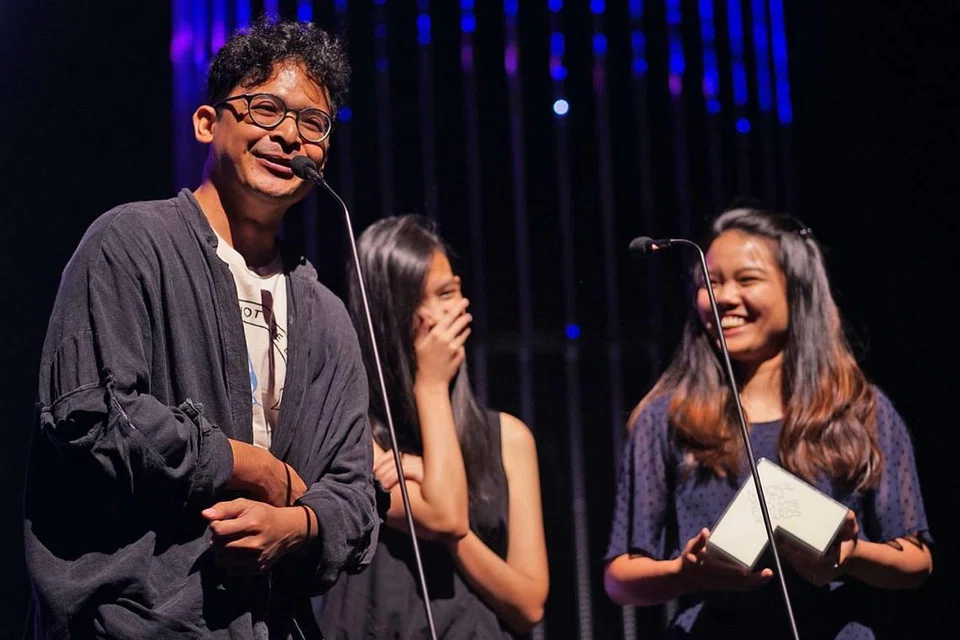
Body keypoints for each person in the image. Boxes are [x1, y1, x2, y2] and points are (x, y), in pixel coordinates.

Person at [24, 18, 378, 639]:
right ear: (208, 123)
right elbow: (89, 417)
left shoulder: (327, 315)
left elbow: (356, 497)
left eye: (313, 123)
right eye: (267, 108)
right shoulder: (130, 243)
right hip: (133, 622)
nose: (290, 136)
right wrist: (250, 466)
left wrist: (297, 526)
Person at [604, 208, 933, 638]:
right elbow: (619, 577)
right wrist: (688, 571)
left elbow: (916, 560)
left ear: (797, 293)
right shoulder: (666, 417)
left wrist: (850, 556)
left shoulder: (859, 409)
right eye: (710, 282)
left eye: (747, 280)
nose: (722, 297)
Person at [319, 215, 549, 638]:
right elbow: (445, 514)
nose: (434, 314)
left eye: (447, 293)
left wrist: (429, 478)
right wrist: (430, 384)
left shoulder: (509, 438)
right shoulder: (351, 428)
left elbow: (529, 603)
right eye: (413, 303)